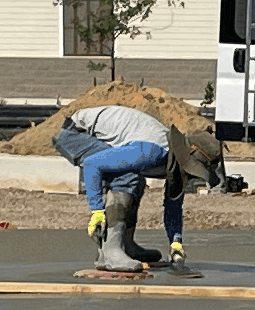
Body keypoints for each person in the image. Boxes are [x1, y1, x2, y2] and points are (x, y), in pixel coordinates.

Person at [51, 99, 224, 274]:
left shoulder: (174, 160)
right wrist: (97, 211)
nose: (193, 177)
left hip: (93, 136)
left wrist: (176, 243)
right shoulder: (151, 151)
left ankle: (126, 245)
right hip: (75, 134)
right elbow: (92, 164)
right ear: (187, 160)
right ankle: (111, 251)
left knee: (136, 180)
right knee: (126, 177)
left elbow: (173, 205)